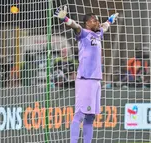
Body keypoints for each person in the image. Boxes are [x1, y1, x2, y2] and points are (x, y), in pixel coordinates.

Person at [54, 5, 118, 143]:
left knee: (91, 117)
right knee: (80, 115)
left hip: (96, 81)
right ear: (87, 23)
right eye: (94, 20)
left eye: (97, 20)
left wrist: (110, 20)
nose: (97, 22)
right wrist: (65, 19)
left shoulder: (98, 33)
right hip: (85, 80)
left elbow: (105, 27)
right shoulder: (83, 33)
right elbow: (75, 26)